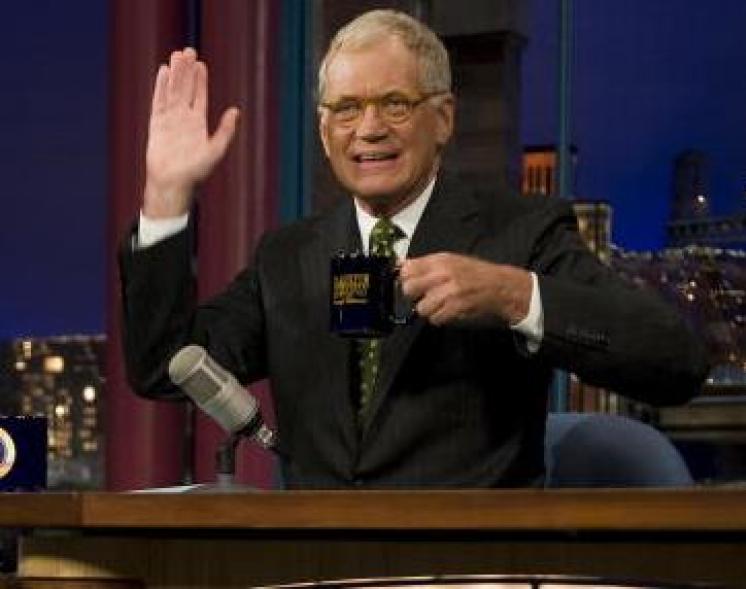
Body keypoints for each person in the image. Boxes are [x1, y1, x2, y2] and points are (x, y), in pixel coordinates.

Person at [120, 10, 709, 488]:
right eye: (346, 109)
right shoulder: (288, 254)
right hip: (313, 565)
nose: (368, 128)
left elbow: (675, 362)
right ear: (324, 131)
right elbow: (164, 367)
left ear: (444, 118)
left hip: (465, 567)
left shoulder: (520, 232)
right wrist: (166, 195)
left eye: (394, 104)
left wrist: (514, 295)